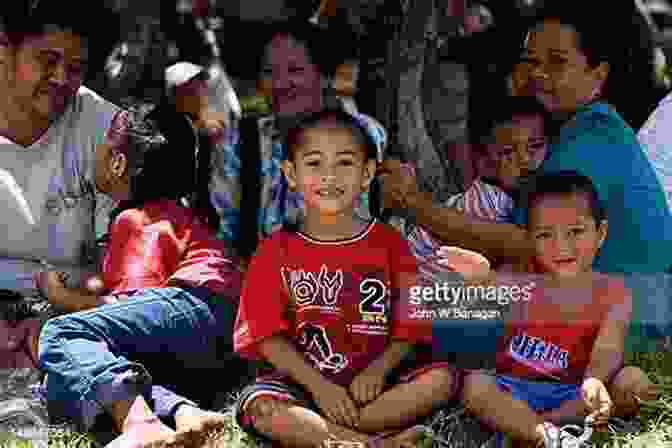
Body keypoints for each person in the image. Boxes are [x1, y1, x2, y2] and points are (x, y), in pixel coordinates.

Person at [380, 1, 672, 275]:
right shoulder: (587, 128)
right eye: (531, 62)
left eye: (556, 62)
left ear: (597, 76)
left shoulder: (590, 141)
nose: (539, 74)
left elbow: (526, 247)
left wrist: (412, 204)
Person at [233, 109, 456, 448]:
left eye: (345, 164)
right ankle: (376, 444)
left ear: (367, 173)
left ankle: (332, 432)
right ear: (290, 174)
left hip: (378, 387)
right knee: (260, 407)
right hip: (305, 389)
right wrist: (319, 388)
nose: (329, 177)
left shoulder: (389, 244)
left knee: (444, 380)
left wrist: (379, 369)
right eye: (314, 164)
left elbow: (411, 324)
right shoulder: (272, 251)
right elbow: (267, 337)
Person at [37, 104, 244, 448]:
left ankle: (141, 423)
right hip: (222, 344)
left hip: (200, 306)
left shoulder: (136, 220)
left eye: (102, 144)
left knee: (60, 335)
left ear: (118, 163)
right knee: (64, 379)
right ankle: (184, 413)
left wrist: (60, 298)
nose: (95, 152)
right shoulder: (178, 214)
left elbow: (132, 301)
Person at [459, 171, 656, 448]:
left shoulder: (614, 292)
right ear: (531, 241)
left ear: (600, 234)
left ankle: (536, 430)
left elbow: (609, 345)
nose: (561, 246)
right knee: (476, 386)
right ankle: (544, 435)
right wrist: (482, 276)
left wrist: (594, 380)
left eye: (575, 232)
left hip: (577, 392)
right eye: (545, 235)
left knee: (635, 383)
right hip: (516, 388)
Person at [0, 0, 121, 361]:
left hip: (76, 315)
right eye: (47, 61)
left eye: (76, 68)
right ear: (5, 49)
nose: (60, 79)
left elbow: (122, 261)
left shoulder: (106, 130)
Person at [209, 18, 387, 262]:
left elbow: (362, 220)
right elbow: (221, 231)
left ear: (323, 77)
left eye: (295, 71)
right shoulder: (240, 140)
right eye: (270, 72)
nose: (281, 84)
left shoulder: (361, 133)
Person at [393, 95, 548, 283]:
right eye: (507, 152)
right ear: (485, 163)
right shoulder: (490, 201)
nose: (524, 159)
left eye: (535, 146)